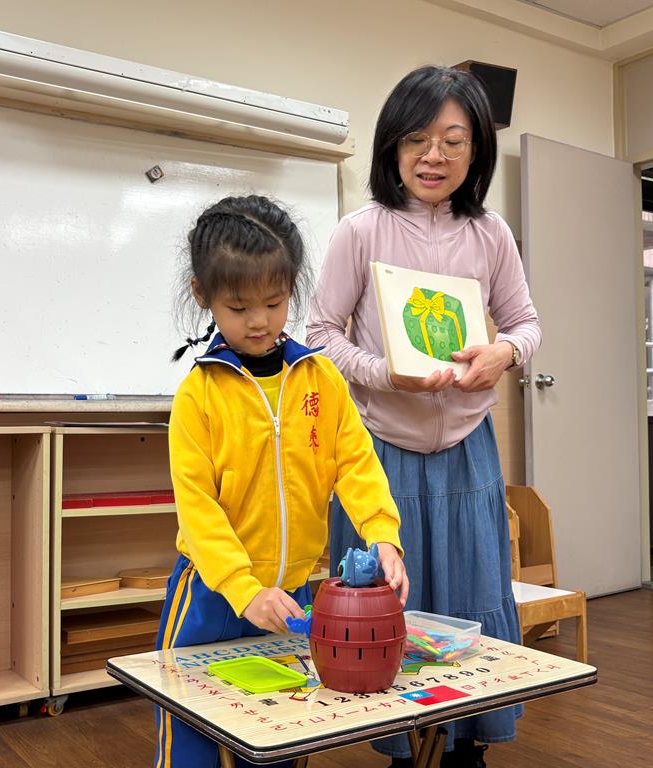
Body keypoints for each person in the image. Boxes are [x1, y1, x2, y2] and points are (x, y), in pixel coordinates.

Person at [306, 66, 541, 768]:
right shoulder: (360, 230)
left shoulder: (492, 234)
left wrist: (503, 353)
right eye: (416, 139)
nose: (433, 156)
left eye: (452, 141)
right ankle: (402, 751)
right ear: (392, 146)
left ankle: (468, 746)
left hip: (468, 447)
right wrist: (385, 373)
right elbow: (320, 335)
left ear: (475, 151)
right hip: (380, 451)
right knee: (386, 604)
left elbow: (526, 324)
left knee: (475, 593)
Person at [158, 194, 410, 768]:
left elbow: (356, 464)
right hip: (210, 595)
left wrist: (382, 534)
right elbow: (197, 508)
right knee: (193, 738)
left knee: (281, 736)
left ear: (292, 289)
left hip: (292, 597)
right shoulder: (199, 395)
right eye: (238, 306)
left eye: (274, 303)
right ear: (202, 295)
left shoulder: (319, 379)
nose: (259, 321)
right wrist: (243, 590)